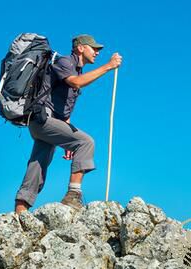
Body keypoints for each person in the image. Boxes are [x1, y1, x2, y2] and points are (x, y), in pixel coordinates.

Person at [14, 34, 122, 214]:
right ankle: (73, 195)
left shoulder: (76, 69)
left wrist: (66, 139)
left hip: (45, 121)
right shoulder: (66, 62)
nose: (96, 52)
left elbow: (63, 110)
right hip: (43, 119)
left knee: (38, 162)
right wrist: (108, 66)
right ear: (80, 48)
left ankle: (20, 208)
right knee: (85, 142)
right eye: (93, 48)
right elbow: (76, 83)